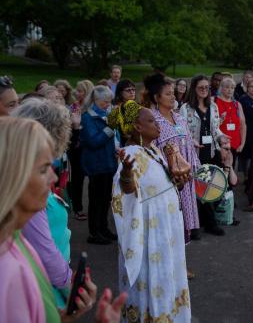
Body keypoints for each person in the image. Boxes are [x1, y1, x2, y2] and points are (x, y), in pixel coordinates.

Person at [0, 116, 126, 323]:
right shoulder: (10, 273)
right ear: (10, 176)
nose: (54, 178)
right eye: (42, 169)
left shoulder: (15, 238)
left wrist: (68, 316)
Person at [110, 101, 192, 323]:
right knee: (153, 280)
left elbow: (163, 185)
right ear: (137, 127)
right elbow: (126, 191)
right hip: (150, 236)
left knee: (168, 277)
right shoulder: (129, 155)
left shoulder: (152, 149)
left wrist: (179, 182)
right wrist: (127, 174)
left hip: (166, 232)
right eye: (151, 121)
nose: (157, 125)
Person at [12, 98, 74, 308]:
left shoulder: (27, 178)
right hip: (46, 289)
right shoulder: (28, 189)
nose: (53, 177)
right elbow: (44, 250)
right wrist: (71, 286)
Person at [143, 73, 200, 242]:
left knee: (184, 228)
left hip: (186, 178)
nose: (173, 96)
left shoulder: (180, 118)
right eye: (168, 93)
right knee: (170, 226)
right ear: (156, 97)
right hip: (168, 182)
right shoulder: (153, 121)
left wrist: (196, 168)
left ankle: (180, 261)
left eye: (173, 92)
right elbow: (151, 153)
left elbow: (189, 146)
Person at [180, 75, 226, 236]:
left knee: (213, 188)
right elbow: (182, 131)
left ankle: (207, 222)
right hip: (195, 153)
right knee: (198, 190)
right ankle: (204, 224)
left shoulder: (213, 106)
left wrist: (222, 137)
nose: (204, 90)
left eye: (207, 87)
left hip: (212, 151)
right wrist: (191, 140)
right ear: (194, 89)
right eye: (201, 87)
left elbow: (216, 128)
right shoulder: (186, 108)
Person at [81, 85, 117, 245]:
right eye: (105, 102)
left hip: (109, 163)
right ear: (96, 100)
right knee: (96, 200)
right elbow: (93, 141)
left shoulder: (107, 114)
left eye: (110, 101)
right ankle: (94, 233)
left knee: (106, 199)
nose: (108, 105)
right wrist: (110, 130)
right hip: (96, 165)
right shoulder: (88, 117)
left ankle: (103, 228)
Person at [68, 80, 94, 221]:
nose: (77, 93)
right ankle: (78, 208)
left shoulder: (93, 107)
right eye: (77, 90)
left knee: (93, 179)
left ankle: (93, 207)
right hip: (77, 147)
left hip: (90, 146)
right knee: (77, 179)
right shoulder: (74, 107)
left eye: (81, 91)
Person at [215, 77, 246, 168]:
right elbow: (211, 124)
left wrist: (242, 143)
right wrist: (220, 120)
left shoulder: (237, 104)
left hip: (234, 143)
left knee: (230, 170)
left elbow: (243, 125)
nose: (230, 90)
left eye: (232, 87)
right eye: (227, 87)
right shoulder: (214, 102)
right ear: (221, 88)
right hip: (220, 144)